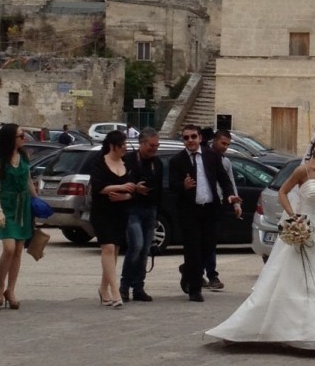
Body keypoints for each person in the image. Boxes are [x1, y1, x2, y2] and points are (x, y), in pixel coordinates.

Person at [205, 127, 315, 357]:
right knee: (299, 285)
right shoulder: (303, 171)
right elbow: (283, 193)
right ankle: (294, 332)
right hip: (305, 230)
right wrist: (293, 216)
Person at [168, 124, 235, 303]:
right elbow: (172, 185)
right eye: (186, 138)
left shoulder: (211, 156)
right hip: (190, 212)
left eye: (193, 137)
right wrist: (183, 186)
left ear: (200, 138)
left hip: (210, 209)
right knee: (193, 250)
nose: (190, 140)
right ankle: (195, 289)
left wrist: (230, 195)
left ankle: (187, 269)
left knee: (208, 248)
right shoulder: (177, 161)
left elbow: (224, 179)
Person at [0, 123, 37, 310]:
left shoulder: (24, 156)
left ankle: (11, 290)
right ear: (11, 138)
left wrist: (37, 203)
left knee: (18, 249)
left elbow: (28, 181)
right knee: (8, 248)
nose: (24, 138)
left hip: (23, 206)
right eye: (20, 135)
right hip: (7, 206)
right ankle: (0, 287)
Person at [89, 129, 135, 307]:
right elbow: (98, 187)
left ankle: (103, 288)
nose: (125, 147)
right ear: (112, 146)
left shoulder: (127, 163)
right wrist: (121, 186)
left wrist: (127, 195)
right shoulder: (99, 162)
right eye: (121, 145)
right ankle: (116, 293)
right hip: (102, 211)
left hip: (120, 212)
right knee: (107, 247)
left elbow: (133, 190)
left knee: (114, 250)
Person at [119, 127, 162, 302]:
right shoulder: (128, 160)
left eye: (157, 145)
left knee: (144, 250)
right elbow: (123, 183)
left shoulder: (157, 164)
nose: (154, 149)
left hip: (150, 209)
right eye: (151, 145)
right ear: (142, 143)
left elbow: (159, 188)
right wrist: (136, 189)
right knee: (136, 245)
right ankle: (124, 286)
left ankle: (139, 287)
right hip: (132, 210)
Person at [202, 128, 242, 291]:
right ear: (215, 141)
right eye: (223, 143)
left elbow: (230, 182)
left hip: (218, 204)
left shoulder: (225, 162)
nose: (225, 147)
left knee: (211, 241)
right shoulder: (203, 157)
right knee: (202, 242)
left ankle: (210, 274)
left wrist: (236, 203)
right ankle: (199, 272)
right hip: (203, 203)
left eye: (227, 144)